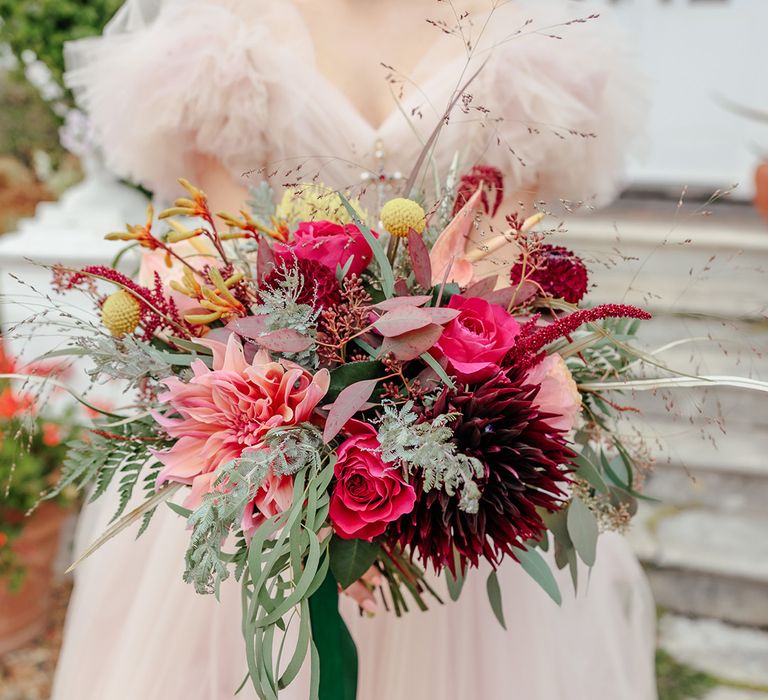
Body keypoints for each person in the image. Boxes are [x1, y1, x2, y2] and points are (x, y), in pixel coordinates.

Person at [52, 1, 657, 698]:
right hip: (270, 449)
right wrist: (309, 470)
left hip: (453, 451)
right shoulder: (218, 37)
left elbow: (503, 261)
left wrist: (423, 410)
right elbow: (217, 252)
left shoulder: (525, 33)